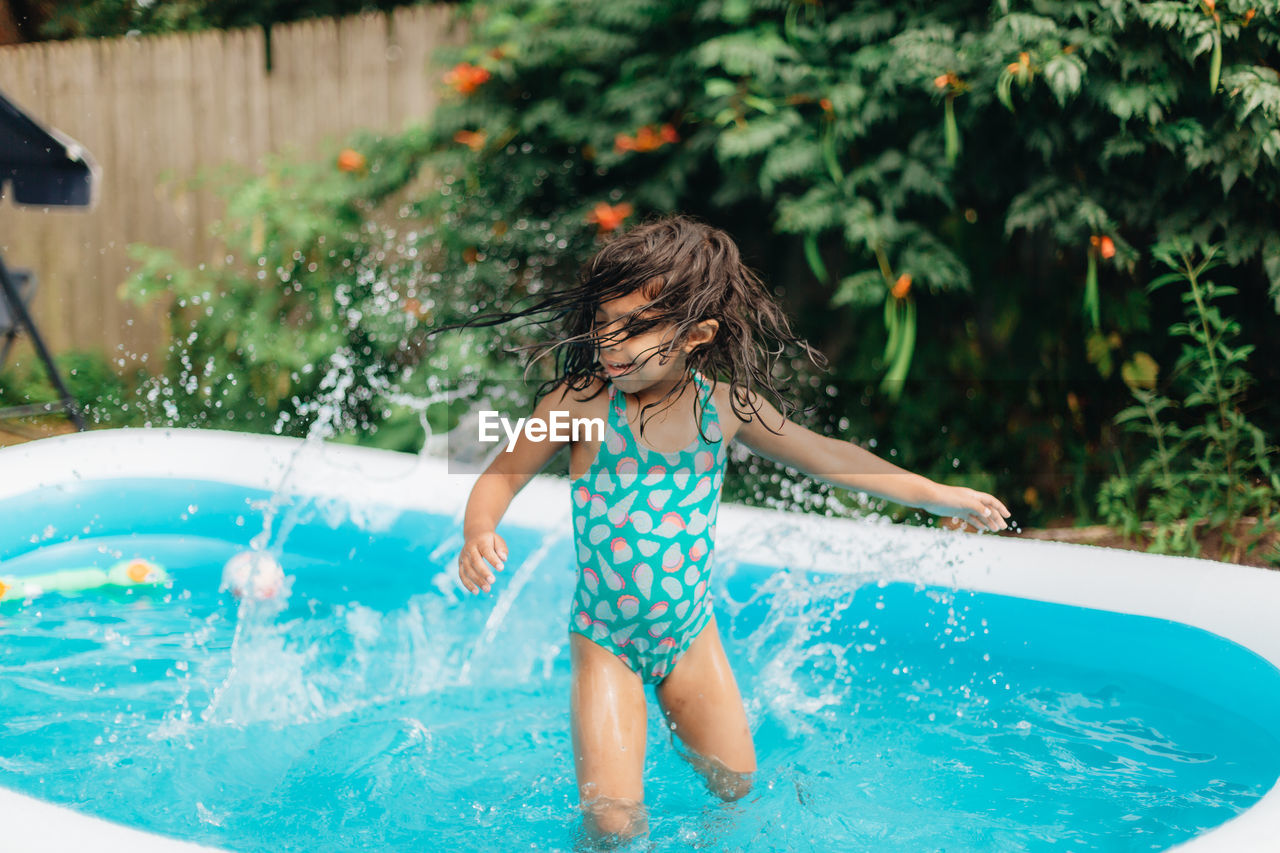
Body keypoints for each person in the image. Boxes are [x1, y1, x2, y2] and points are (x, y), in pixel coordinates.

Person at [450, 216, 1011, 845]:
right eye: (604, 322)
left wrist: (935, 494)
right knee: (611, 821)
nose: (611, 341)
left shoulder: (726, 409)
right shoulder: (575, 405)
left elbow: (828, 456)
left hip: (691, 639)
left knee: (737, 789)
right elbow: (499, 477)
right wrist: (479, 531)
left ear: (698, 335)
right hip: (606, 642)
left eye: (634, 328)